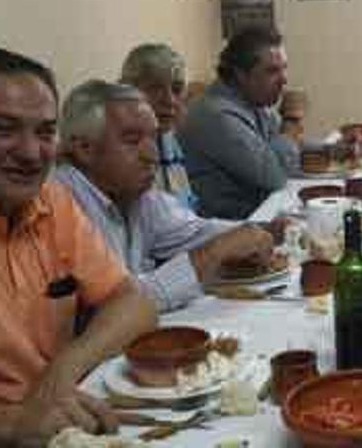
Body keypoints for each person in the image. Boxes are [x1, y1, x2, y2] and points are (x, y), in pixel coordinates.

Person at [0, 49, 157, 445]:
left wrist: (61, 373)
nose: (31, 153)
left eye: (45, 132)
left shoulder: (52, 202)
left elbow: (134, 302)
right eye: (4, 129)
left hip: (64, 422)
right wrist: (13, 424)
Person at [56, 79, 277, 313]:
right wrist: (215, 252)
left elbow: (194, 231)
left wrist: (266, 230)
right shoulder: (62, 202)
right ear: (84, 149)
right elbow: (118, 305)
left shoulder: (135, 194)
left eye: (153, 138)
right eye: (132, 140)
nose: (151, 155)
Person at [178, 26, 299, 219]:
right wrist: (292, 118)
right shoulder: (217, 115)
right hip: (229, 228)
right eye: (272, 71)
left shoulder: (253, 101)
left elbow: (282, 147)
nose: (284, 80)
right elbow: (276, 175)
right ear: (240, 75)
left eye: (284, 69)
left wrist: (332, 148)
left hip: (259, 215)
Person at [120, 43, 196, 209]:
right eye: (155, 88)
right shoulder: (120, 151)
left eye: (177, 89)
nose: (169, 100)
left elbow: (187, 210)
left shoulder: (168, 138)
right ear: (127, 91)